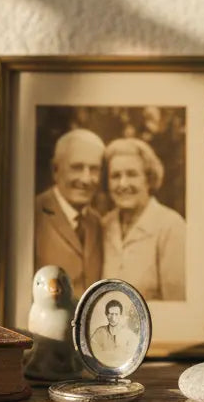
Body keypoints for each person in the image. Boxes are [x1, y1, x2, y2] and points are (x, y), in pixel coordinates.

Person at [101, 137, 186, 300]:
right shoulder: (105, 225)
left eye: (132, 174)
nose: (123, 184)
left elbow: (177, 305)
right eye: (115, 176)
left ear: (149, 179)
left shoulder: (171, 227)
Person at [35, 128, 105, 297]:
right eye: (77, 167)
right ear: (55, 170)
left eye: (94, 169)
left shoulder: (96, 222)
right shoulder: (33, 214)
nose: (86, 179)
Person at [88, 298, 138, 367]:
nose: (113, 318)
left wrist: (106, 354)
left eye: (116, 314)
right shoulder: (99, 332)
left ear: (120, 315)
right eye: (110, 314)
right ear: (106, 314)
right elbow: (94, 355)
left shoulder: (130, 335)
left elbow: (132, 358)